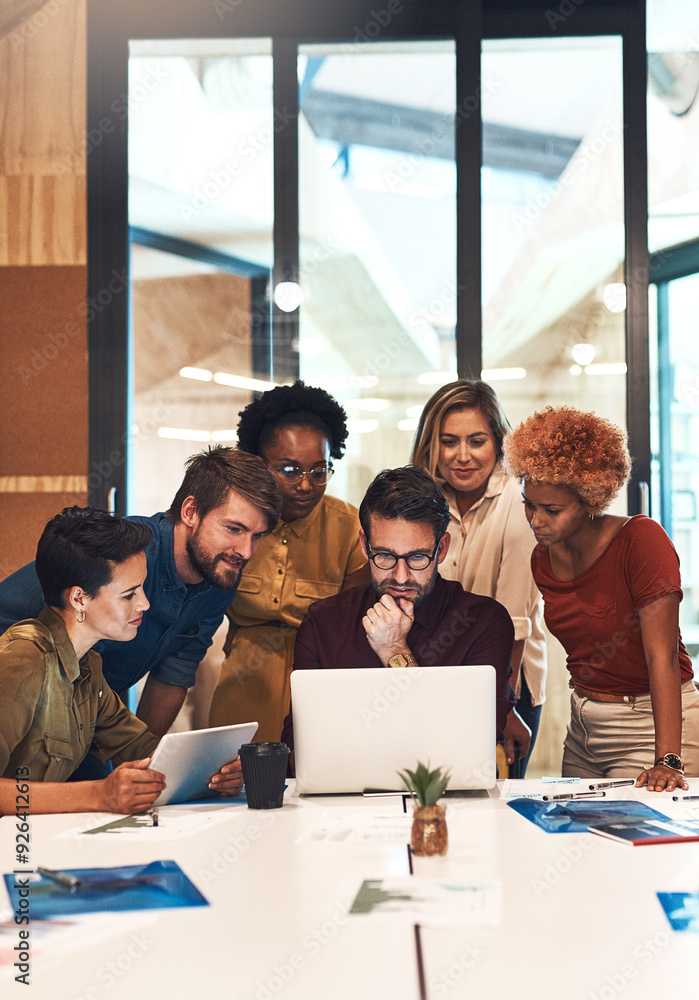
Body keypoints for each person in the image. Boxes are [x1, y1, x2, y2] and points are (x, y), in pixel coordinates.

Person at [0, 447, 281, 744]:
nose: (246, 551)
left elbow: (174, 674)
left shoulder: (221, 571)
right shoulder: (120, 554)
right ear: (190, 512)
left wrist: (149, 762)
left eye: (257, 535)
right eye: (234, 529)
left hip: (86, 712)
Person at [503, 404, 699, 793]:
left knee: (636, 848)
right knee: (577, 838)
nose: (535, 520)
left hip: (649, 726)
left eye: (552, 509)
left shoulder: (640, 541)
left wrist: (668, 760)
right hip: (583, 729)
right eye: (529, 504)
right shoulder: (543, 557)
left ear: (589, 499)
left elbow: (661, 657)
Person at [0, 507, 243, 814]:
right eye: (129, 594)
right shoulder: (23, 657)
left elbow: (146, 752)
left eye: (141, 588)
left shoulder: (88, 668)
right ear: (79, 599)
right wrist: (98, 795)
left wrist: (217, 774)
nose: (145, 603)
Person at [282, 466, 529, 762]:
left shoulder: (484, 623)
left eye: (417, 557)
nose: (400, 577)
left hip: (446, 801)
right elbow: (300, 744)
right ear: (365, 546)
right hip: (342, 801)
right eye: (385, 555)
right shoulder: (324, 622)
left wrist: (395, 650)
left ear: (441, 549)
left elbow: (467, 745)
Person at [209, 381, 369, 742]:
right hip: (244, 681)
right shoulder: (234, 523)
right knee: (233, 784)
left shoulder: (350, 527)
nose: (306, 485)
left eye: (319, 470)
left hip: (320, 682)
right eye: (290, 470)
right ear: (259, 464)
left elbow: (352, 631)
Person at [411, 379, 546, 776]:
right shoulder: (427, 500)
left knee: (494, 806)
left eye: (477, 441)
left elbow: (513, 625)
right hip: (440, 678)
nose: (462, 456)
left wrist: (502, 709)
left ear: (499, 442)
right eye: (449, 441)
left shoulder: (520, 501)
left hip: (508, 682)